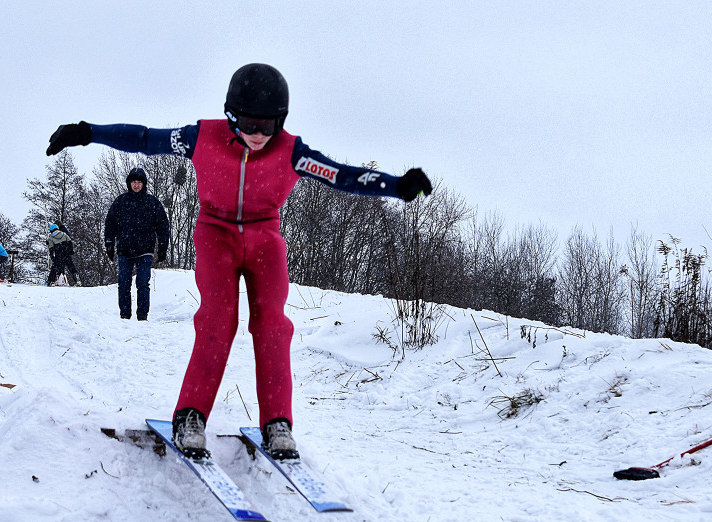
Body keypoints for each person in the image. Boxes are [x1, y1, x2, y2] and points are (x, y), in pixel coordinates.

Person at [46, 63, 432, 456]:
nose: (258, 135)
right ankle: (190, 416)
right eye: (249, 123)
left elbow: (339, 175)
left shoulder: (292, 152)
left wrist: (396, 185)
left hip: (265, 239)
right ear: (231, 114)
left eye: (269, 126)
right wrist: (88, 132)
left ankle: (278, 423)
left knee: (273, 326)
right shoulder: (201, 137)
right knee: (217, 321)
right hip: (217, 235)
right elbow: (145, 139)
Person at [103, 168, 170, 320]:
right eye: (134, 182)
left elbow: (163, 225)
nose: (136, 185)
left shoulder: (152, 202)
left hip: (145, 250)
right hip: (124, 250)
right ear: (129, 183)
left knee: (142, 284)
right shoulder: (121, 201)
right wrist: (109, 242)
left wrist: (162, 247)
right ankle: (125, 317)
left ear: (144, 184)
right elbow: (110, 223)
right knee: (124, 285)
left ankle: (142, 317)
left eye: (139, 182)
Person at [46, 222, 78, 286]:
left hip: (58, 255)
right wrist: (71, 251)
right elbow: (70, 242)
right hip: (66, 253)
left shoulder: (51, 238)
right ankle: (77, 279)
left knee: (55, 267)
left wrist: (52, 257)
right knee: (71, 266)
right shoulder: (64, 234)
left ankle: (51, 281)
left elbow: (51, 249)